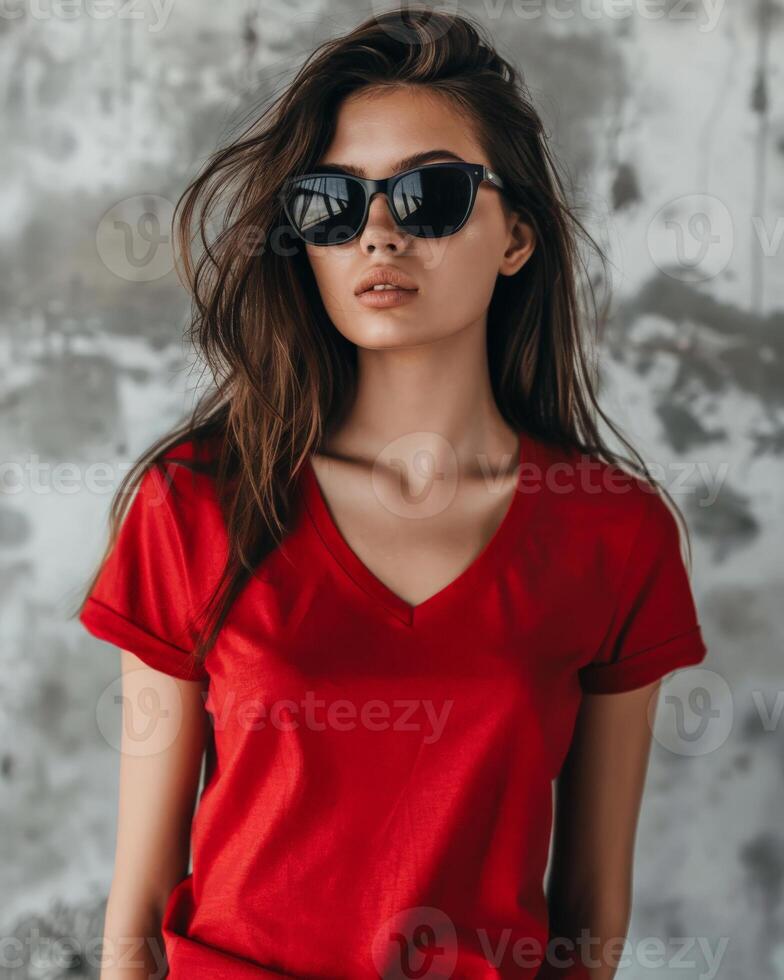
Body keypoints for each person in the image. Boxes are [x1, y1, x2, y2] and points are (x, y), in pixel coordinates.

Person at [75, 7, 708, 979]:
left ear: (516, 237)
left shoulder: (611, 533)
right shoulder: (194, 504)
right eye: (332, 201)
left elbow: (588, 908)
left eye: (431, 193)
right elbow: (142, 894)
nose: (378, 230)